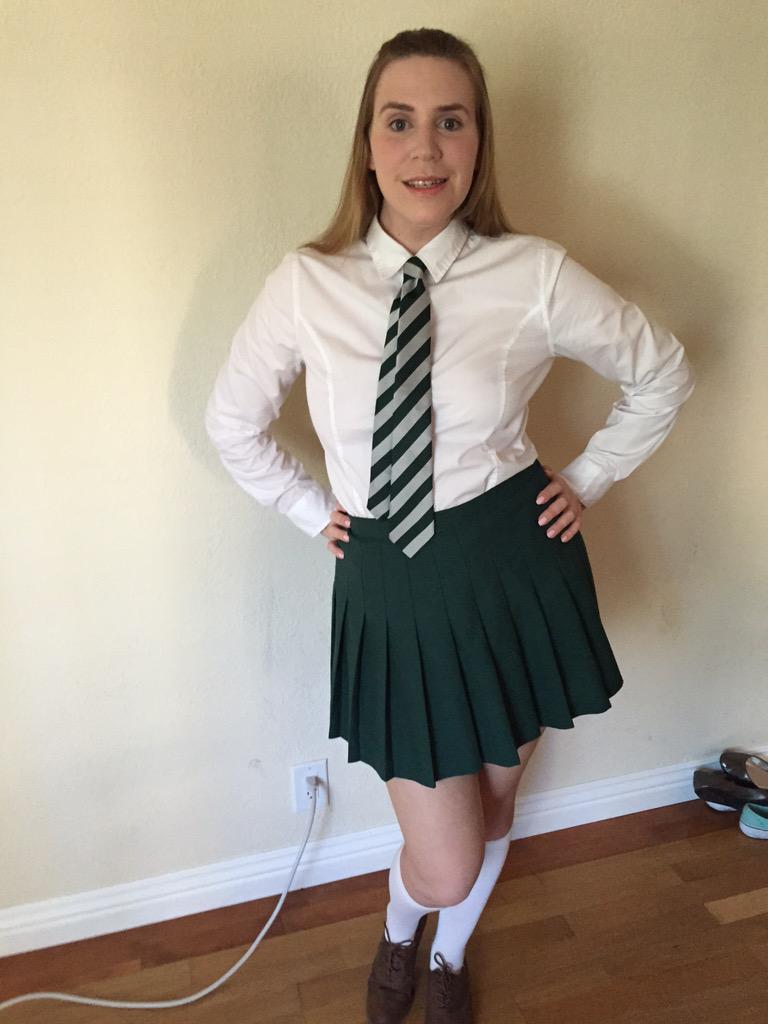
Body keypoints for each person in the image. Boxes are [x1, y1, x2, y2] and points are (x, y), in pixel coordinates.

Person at [204, 27, 695, 1024]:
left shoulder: (534, 272)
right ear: (368, 143)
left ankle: (449, 956)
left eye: (451, 121)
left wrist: (590, 476)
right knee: (445, 857)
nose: (425, 147)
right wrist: (308, 508)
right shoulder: (306, 283)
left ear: (479, 143)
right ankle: (404, 926)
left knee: (498, 803)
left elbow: (663, 371)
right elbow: (231, 424)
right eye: (400, 121)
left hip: (513, 567)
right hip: (390, 584)